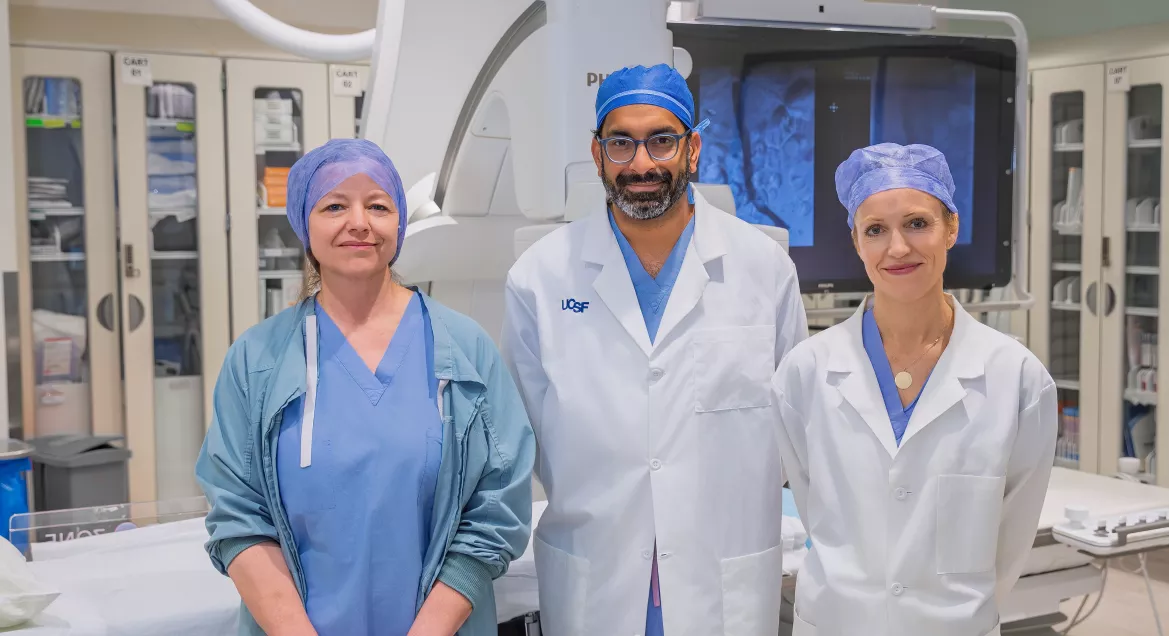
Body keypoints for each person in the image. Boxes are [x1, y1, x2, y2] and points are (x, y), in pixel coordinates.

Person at [500, 63, 809, 636]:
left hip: (723, 583)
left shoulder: (764, 271)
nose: (641, 164)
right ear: (597, 156)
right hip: (596, 578)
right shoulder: (539, 279)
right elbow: (529, 437)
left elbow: (794, 429)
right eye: (621, 143)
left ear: (692, 149)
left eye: (661, 141)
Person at [195, 139, 535, 636]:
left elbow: (497, 507)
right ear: (304, 226)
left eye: (378, 206)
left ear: (398, 225)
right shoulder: (259, 360)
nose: (359, 222)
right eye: (335, 206)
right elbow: (239, 517)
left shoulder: (463, 349)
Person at [770, 143, 1058, 636]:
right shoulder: (806, 372)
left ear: (952, 229)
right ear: (856, 243)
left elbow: (1011, 539)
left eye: (917, 224)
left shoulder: (1017, 378)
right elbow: (811, 501)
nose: (897, 248)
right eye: (875, 230)